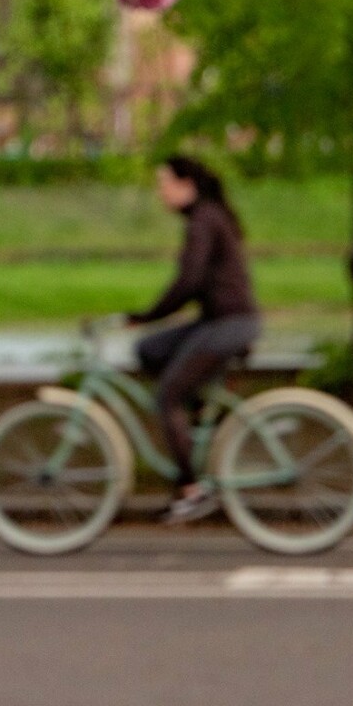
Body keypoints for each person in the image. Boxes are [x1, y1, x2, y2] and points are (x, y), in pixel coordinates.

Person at [128, 156, 261, 523]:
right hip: (220, 322)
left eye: (165, 183)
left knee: (167, 395)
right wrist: (147, 324)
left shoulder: (204, 220)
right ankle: (199, 421)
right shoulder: (207, 217)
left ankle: (191, 489)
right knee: (149, 349)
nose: (160, 191)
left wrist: (147, 315)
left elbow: (190, 281)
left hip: (229, 324)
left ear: (187, 185)